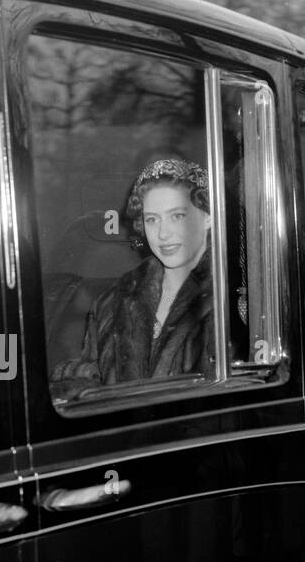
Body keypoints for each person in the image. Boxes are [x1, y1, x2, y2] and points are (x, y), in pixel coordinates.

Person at [51, 156, 214, 390]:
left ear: (207, 216)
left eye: (177, 216)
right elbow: (94, 381)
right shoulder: (113, 302)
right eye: (152, 220)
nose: (163, 233)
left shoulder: (232, 300)